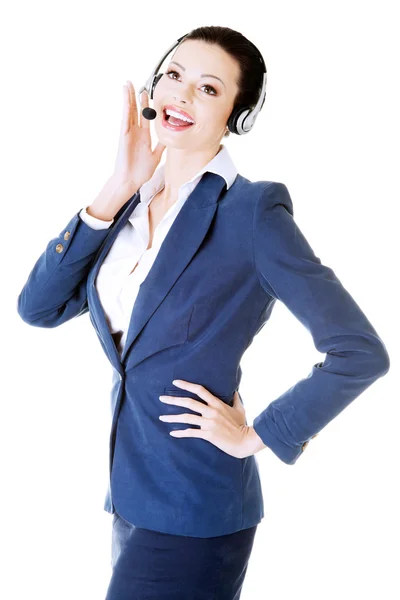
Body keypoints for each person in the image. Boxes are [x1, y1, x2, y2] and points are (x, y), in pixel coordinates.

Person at [17, 26, 390, 600]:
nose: (182, 95)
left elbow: (358, 352)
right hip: (131, 498)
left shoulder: (253, 212)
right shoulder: (130, 206)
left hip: (197, 507)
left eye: (209, 88)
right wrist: (118, 186)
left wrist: (259, 434)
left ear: (236, 114)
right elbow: (38, 307)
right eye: (173, 76)